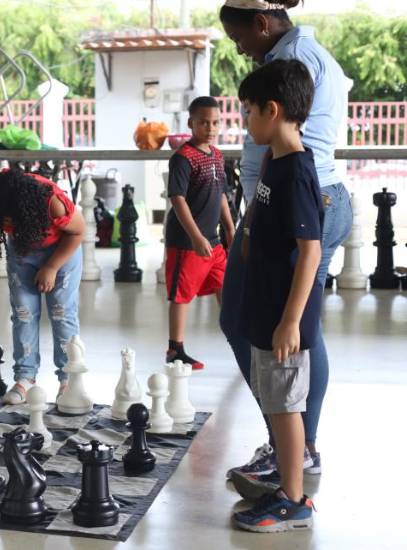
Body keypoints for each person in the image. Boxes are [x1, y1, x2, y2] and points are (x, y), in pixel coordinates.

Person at [219, 0, 352, 481]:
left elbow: (293, 155)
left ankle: (292, 444)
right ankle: (294, 442)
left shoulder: (287, 65)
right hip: (301, 202)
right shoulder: (311, 56)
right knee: (290, 330)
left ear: (262, 23)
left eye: (240, 40)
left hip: (297, 209)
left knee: (269, 328)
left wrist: (255, 215)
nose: (242, 50)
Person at [230, 59, 320, 533]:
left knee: (286, 407)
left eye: (248, 111)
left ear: (273, 108)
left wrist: (290, 320)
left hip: (284, 316)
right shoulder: (274, 161)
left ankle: (294, 499)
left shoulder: (297, 172)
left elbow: (310, 252)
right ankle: (287, 486)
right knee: (277, 403)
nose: (245, 120)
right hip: (265, 307)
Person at [0, 170, 85, 404]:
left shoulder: (52, 201)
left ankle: (68, 379)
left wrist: (52, 267)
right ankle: (25, 376)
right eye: (2, 220)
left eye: (10, 219)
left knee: (61, 312)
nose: (6, 224)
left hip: (63, 251)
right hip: (23, 252)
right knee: (23, 313)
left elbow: (77, 231)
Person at [164, 96, 235, 370]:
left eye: (216, 122)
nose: (210, 127)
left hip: (214, 241)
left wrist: (229, 227)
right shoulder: (183, 158)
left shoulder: (217, 155)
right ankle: (175, 349)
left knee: (225, 287)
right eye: (204, 122)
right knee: (181, 295)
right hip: (187, 242)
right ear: (191, 123)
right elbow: (177, 199)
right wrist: (195, 237)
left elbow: (221, 195)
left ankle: (237, 337)